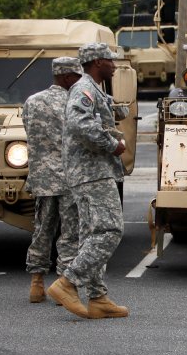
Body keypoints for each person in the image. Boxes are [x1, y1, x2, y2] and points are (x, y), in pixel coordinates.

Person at [47, 43, 129, 319]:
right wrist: (111, 144)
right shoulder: (85, 89)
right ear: (96, 62)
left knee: (92, 235)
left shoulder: (93, 89)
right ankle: (68, 283)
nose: (114, 64)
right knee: (110, 230)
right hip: (92, 172)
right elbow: (79, 124)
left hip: (89, 172)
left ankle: (98, 296)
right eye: (110, 60)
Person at [21, 56, 82, 303]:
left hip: (43, 178)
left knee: (42, 230)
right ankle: (62, 286)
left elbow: (29, 133)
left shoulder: (32, 101)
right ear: (68, 77)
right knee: (69, 234)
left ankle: (36, 283)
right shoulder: (74, 102)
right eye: (77, 76)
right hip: (70, 177)